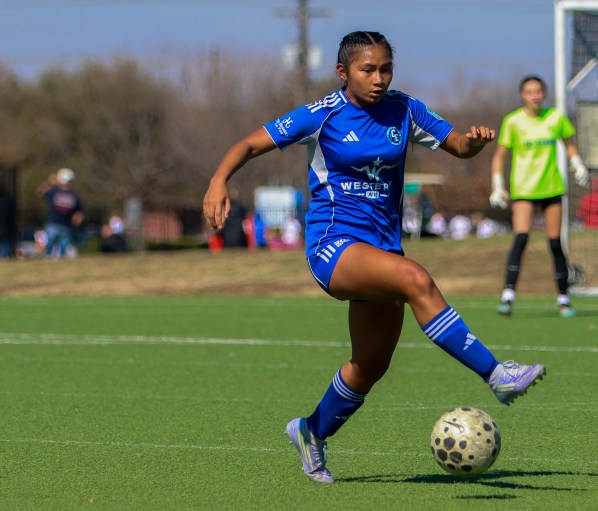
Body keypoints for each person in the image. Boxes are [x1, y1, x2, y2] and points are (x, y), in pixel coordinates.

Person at [202, 31, 546, 484]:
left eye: (386, 69)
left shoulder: (404, 109)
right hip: (332, 247)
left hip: (381, 248)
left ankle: (310, 431)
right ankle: (497, 373)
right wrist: (217, 181)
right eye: (368, 70)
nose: (379, 78)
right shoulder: (321, 115)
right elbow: (248, 145)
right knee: (416, 279)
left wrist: (475, 143)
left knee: (370, 365)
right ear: (343, 72)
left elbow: (457, 145)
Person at [489, 75, 589, 318]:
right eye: (529, 92)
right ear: (522, 95)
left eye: (537, 91)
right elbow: (499, 155)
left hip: (552, 188)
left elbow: (569, 143)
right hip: (523, 189)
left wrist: (577, 163)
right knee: (521, 238)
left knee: (555, 243)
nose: (534, 96)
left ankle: (564, 298)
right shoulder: (513, 121)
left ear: (544, 94)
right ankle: (508, 295)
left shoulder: (555, 117)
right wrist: (497, 184)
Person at [36, 168, 84, 258]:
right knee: (50, 246)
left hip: (64, 226)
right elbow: (40, 192)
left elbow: (79, 212)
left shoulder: (73, 195)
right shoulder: (55, 192)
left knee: (62, 249)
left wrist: (77, 219)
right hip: (54, 225)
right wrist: (50, 183)